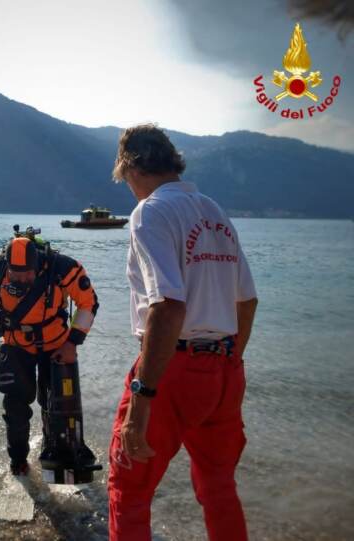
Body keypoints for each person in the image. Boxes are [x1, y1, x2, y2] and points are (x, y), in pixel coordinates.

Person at [107, 124, 258, 541]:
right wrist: (231, 360)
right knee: (218, 485)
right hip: (225, 369)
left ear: (131, 168)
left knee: (129, 488)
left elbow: (167, 305)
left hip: (173, 370)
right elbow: (247, 301)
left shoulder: (150, 212)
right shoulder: (214, 211)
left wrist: (142, 400)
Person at [0, 235, 99, 475]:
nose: (21, 279)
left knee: (57, 403)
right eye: (16, 274)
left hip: (57, 346)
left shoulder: (62, 267)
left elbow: (88, 302)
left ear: (37, 264)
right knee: (15, 408)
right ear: (7, 266)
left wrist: (72, 343)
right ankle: (18, 460)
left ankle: (61, 453)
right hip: (16, 346)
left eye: (27, 273)